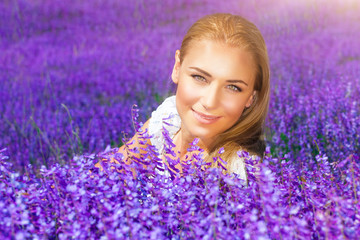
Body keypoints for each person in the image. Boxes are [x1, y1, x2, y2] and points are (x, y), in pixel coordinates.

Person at [96, 13, 270, 181]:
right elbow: (102, 175)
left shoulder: (234, 171)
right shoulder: (169, 117)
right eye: (199, 78)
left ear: (251, 98)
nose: (210, 102)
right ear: (177, 68)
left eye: (233, 87)